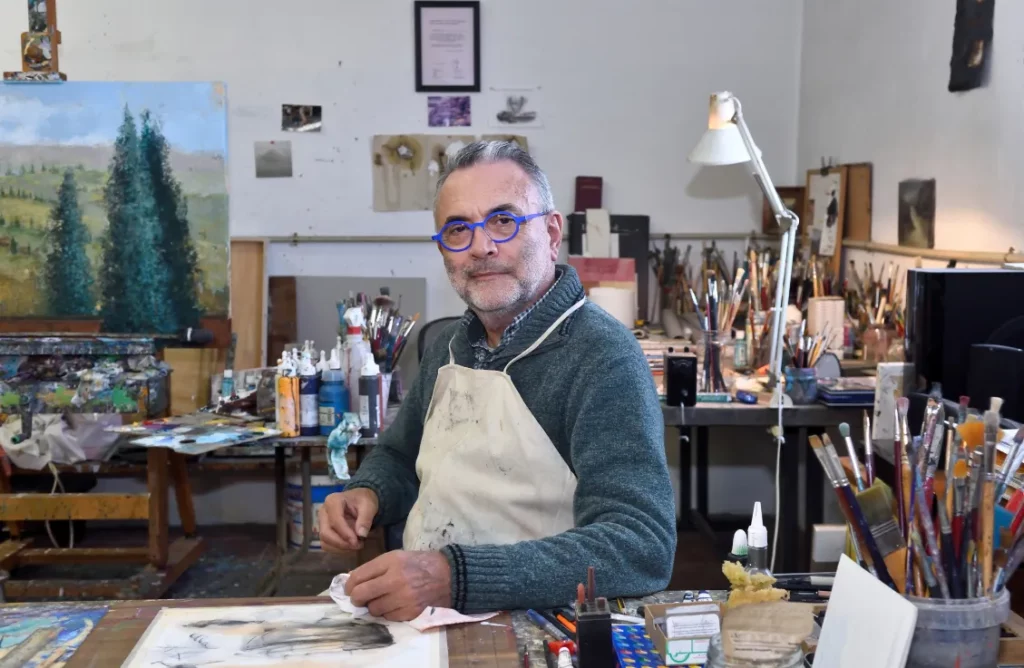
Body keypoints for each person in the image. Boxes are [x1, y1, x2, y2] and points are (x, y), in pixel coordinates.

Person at [317, 140, 675, 621]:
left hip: (542, 624)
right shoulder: (450, 343)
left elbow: (639, 544)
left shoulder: (601, 356)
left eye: (503, 221)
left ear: (551, 233)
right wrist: (368, 492)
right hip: (422, 617)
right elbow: (401, 456)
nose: (481, 247)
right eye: (458, 229)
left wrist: (456, 578)